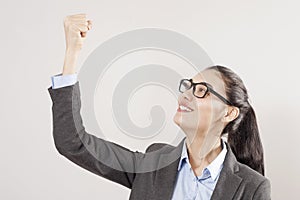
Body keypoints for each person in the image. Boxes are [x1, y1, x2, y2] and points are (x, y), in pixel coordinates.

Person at [48, 13, 271, 200]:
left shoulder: (252, 188)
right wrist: (72, 53)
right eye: (187, 86)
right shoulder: (152, 163)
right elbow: (72, 142)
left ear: (229, 112)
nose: (186, 95)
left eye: (201, 90)